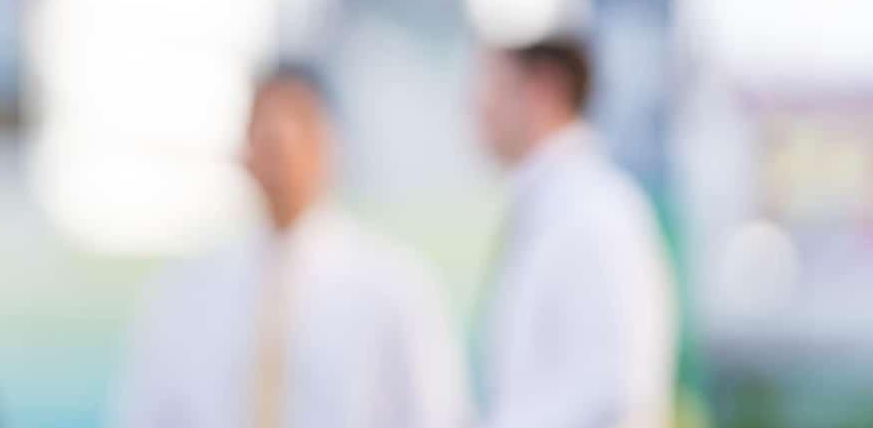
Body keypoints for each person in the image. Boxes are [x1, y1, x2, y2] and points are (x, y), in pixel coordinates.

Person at [112, 65, 467, 428]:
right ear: (244, 146)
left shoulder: (394, 289)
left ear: (330, 144)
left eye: (298, 126)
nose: (280, 145)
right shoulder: (183, 294)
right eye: (264, 129)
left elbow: (435, 416)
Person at [473, 36, 676, 428]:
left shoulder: (596, 212)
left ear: (544, 89)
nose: (479, 108)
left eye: (494, 87)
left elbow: (615, 389)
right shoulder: (549, 208)